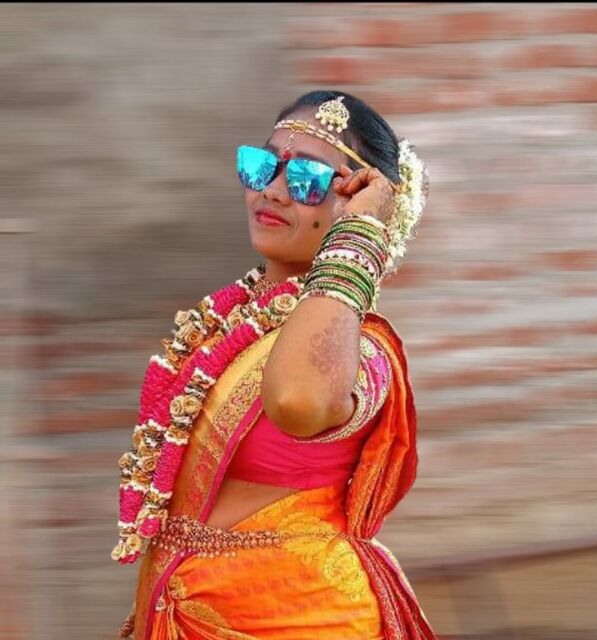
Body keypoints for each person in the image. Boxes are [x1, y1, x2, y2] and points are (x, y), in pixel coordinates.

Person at [114, 90, 437, 640]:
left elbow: (298, 399)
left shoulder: (362, 350)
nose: (273, 190)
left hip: (302, 617)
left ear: (357, 203)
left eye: (308, 179)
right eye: (262, 165)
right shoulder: (234, 322)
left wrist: (361, 234)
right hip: (185, 610)